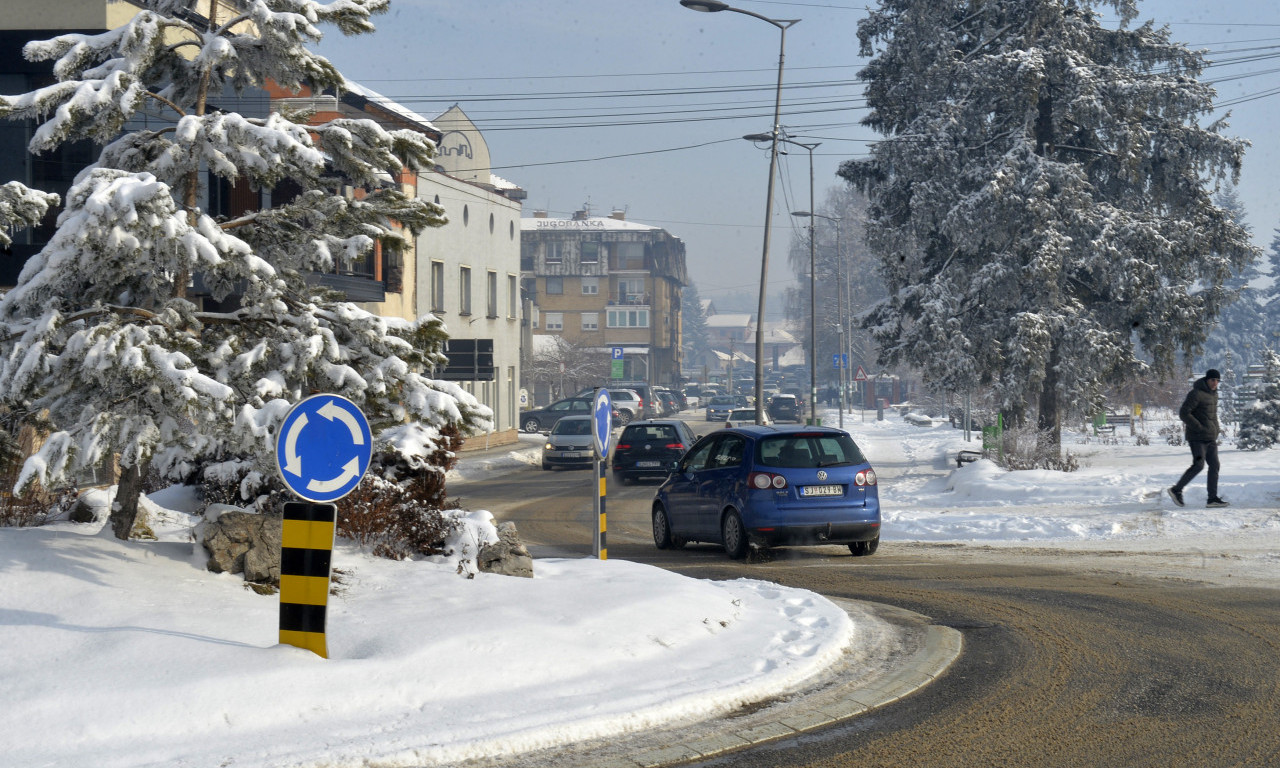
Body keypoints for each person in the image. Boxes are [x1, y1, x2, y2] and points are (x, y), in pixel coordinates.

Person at [1169, 369, 1228, 508]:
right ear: (1207, 379)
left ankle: (1212, 498)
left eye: (1217, 381)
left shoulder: (1214, 395)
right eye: (1213, 380)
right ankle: (1176, 490)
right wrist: (1199, 427)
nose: (1215, 383)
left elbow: (1212, 416)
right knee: (1198, 465)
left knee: (1215, 465)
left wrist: (1216, 429)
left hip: (1210, 437)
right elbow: (1184, 413)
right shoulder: (1196, 393)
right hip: (1197, 438)